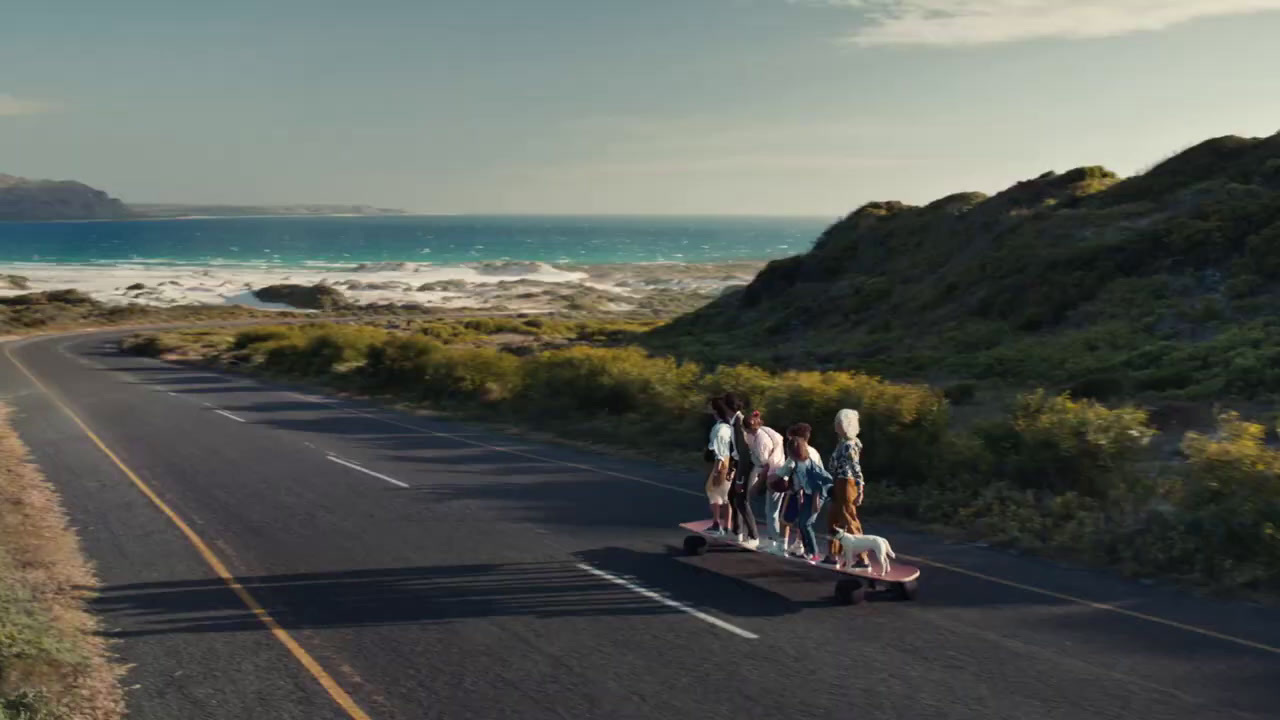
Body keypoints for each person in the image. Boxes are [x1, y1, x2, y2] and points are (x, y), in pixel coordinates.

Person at [778, 433, 834, 562]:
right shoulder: (799, 463)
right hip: (809, 494)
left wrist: (815, 502)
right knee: (802, 523)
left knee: (806, 523)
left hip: (818, 494)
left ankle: (814, 552)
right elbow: (801, 483)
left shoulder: (805, 465)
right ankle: (808, 551)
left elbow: (819, 484)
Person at [827, 409, 869, 567]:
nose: (836, 425)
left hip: (846, 482)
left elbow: (855, 467)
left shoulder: (849, 445)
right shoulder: (842, 443)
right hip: (838, 481)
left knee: (849, 518)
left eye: (838, 422)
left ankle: (862, 557)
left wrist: (860, 488)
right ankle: (833, 555)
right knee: (834, 518)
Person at [744, 411, 787, 553]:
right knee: (772, 509)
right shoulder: (766, 430)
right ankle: (774, 540)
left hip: (773, 474)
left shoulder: (761, 440)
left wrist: (758, 485)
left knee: (772, 510)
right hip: (780, 469)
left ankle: (774, 541)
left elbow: (765, 465)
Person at [721, 392, 759, 547]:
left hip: (747, 465)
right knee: (732, 496)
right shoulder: (733, 420)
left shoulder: (739, 422)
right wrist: (732, 466)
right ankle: (738, 532)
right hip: (739, 463)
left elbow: (745, 454)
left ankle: (753, 536)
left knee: (741, 500)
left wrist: (740, 479)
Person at [704, 397, 735, 535]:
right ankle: (727, 525)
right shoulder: (730, 427)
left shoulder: (719, 429)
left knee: (713, 490)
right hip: (732, 462)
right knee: (727, 495)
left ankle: (717, 523)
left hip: (723, 462)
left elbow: (720, 452)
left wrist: (717, 470)